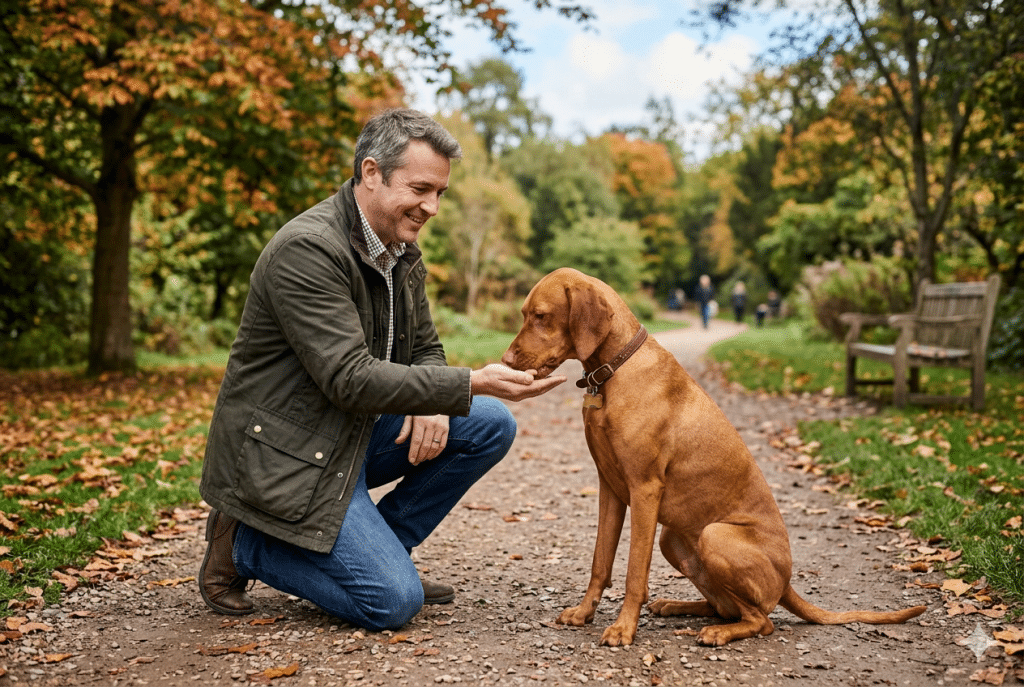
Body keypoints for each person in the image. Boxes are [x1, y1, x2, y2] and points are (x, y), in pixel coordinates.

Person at [197, 108, 566, 631]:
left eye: (440, 192)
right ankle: (245, 545)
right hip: (289, 453)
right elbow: (349, 378)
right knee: (392, 603)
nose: (432, 207)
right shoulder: (308, 250)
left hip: (348, 436)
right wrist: (464, 384)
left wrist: (439, 400)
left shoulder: (399, 250)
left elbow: (426, 348)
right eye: (420, 188)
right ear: (371, 173)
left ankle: (386, 550)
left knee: (489, 423)